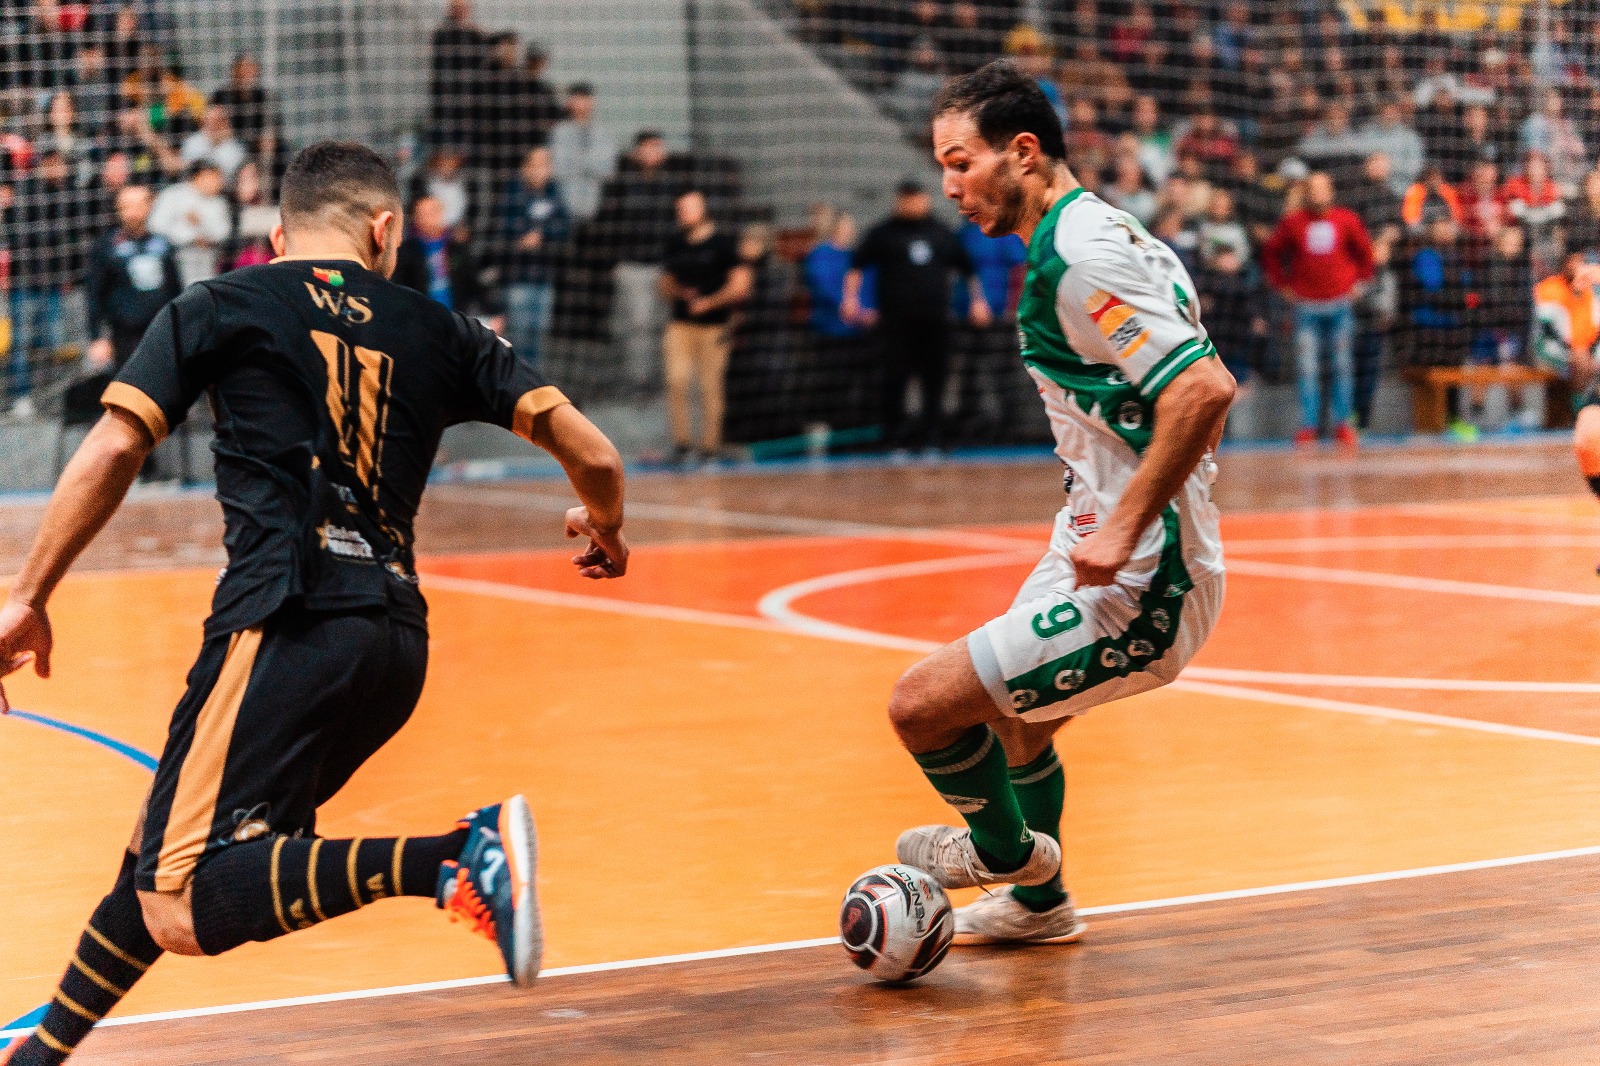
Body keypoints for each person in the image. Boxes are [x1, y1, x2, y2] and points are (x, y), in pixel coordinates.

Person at [0, 141, 628, 1066]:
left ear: (277, 230)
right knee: (161, 849)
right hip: (394, 646)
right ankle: (39, 1055)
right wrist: (605, 525)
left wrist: (27, 594)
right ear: (384, 229)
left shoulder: (222, 303)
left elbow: (113, 448)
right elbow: (598, 457)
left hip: (282, 621)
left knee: (180, 898)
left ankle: (453, 856)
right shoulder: (442, 327)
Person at [885, 61, 1232, 946]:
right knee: (1013, 723)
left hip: (1146, 577)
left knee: (923, 706)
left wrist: (1121, 523)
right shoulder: (1084, 236)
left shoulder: (1082, 258)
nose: (950, 186)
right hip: (1091, 532)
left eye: (961, 163)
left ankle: (1007, 858)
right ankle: (1042, 906)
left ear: (1024, 153)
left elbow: (1202, 390)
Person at [842, 178, 990, 452]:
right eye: (905, 199)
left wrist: (978, 302)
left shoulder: (942, 233)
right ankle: (893, 438)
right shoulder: (883, 233)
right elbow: (857, 266)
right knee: (894, 377)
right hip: (895, 322)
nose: (911, 204)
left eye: (916, 198)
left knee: (935, 378)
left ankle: (931, 437)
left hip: (935, 321)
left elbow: (968, 270)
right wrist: (850, 299)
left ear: (926, 199)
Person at [1260, 171, 1374, 447]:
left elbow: (1366, 253)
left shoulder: (1347, 219)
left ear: (1331, 192)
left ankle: (1343, 424)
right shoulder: (1293, 223)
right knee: (1307, 369)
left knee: (1343, 366)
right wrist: (1281, 285)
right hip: (1306, 306)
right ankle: (1308, 426)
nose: (1317, 194)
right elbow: (1271, 253)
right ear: (1306, 192)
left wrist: (1360, 283)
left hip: (1340, 304)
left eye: (1323, 189)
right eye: (1313, 189)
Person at [658, 189, 752, 464]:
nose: (683, 213)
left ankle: (710, 447)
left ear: (703, 209)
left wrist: (709, 303)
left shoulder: (723, 245)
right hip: (680, 325)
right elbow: (664, 283)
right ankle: (682, 444)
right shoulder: (675, 243)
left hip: (714, 327)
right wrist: (680, 292)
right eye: (680, 209)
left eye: (688, 208)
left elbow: (740, 284)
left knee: (710, 386)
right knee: (676, 380)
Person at [5, 149, 94, 417]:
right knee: (21, 342)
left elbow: (73, 237)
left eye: (60, 164)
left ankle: (47, 397)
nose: (56, 169)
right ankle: (22, 396)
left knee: (48, 343)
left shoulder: (68, 195)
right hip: (24, 283)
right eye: (50, 164)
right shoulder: (26, 192)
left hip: (53, 284)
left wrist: (67, 274)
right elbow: (20, 234)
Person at [597, 131, 678, 393]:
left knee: (659, 324)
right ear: (637, 152)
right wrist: (614, 262)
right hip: (632, 266)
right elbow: (608, 225)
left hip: (662, 267)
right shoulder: (621, 185)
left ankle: (655, 379)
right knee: (636, 326)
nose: (656, 152)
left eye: (659, 147)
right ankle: (638, 382)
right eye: (650, 147)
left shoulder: (670, 185)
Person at [1533, 249, 1600, 540]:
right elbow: (1545, 338)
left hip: (1586, 357)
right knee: (1588, 434)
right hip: (1555, 353)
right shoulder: (1553, 290)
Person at [84, 183, 182, 372]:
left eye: (139, 205)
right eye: (126, 206)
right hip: (124, 336)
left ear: (149, 206)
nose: (133, 212)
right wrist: (97, 337)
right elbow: (94, 295)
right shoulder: (106, 247)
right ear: (118, 209)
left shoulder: (163, 245)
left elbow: (175, 289)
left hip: (161, 333)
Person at [496, 146, 571, 368]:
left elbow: (565, 226)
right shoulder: (512, 193)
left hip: (544, 276)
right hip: (517, 276)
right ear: (525, 168)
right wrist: (524, 235)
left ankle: (533, 386)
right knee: (518, 336)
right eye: (536, 164)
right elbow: (504, 226)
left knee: (539, 334)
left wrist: (542, 234)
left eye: (545, 164)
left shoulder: (554, 193)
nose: (541, 170)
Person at [394, 193, 489, 317]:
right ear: (416, 217)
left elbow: (473, 281)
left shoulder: (456, 248)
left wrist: (491, 312)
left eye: (434, 211)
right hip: (420, 317)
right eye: (424, 213)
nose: (431, 217)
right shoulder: (406, 251)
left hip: (455, 316)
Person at [149, 160, 231, 287]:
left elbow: (223, 232)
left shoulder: (219, 203)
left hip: (208, 260)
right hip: (174, 257)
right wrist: (190, 238)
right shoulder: (173, 195)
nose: (219, 183)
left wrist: (202, 226)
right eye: (214, 178)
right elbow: (156, 225)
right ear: (198, 177)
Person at [548, 83, 616, 221]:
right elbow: (557, 169)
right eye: (578, 98)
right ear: (569, 102)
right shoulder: (558, 133)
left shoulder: (603, 133)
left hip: (595, 206)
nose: (582, 103)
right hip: (563, 206)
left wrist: (575, 160)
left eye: (586, 98)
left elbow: (607, 170)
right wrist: (590, 161)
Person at [179, 104, 248, 183]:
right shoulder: (193, 141)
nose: (211, 125)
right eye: (207, 121)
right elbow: (185, 167)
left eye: (216, 122)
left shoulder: (235, 148)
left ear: (225, 123)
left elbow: (227, 176)